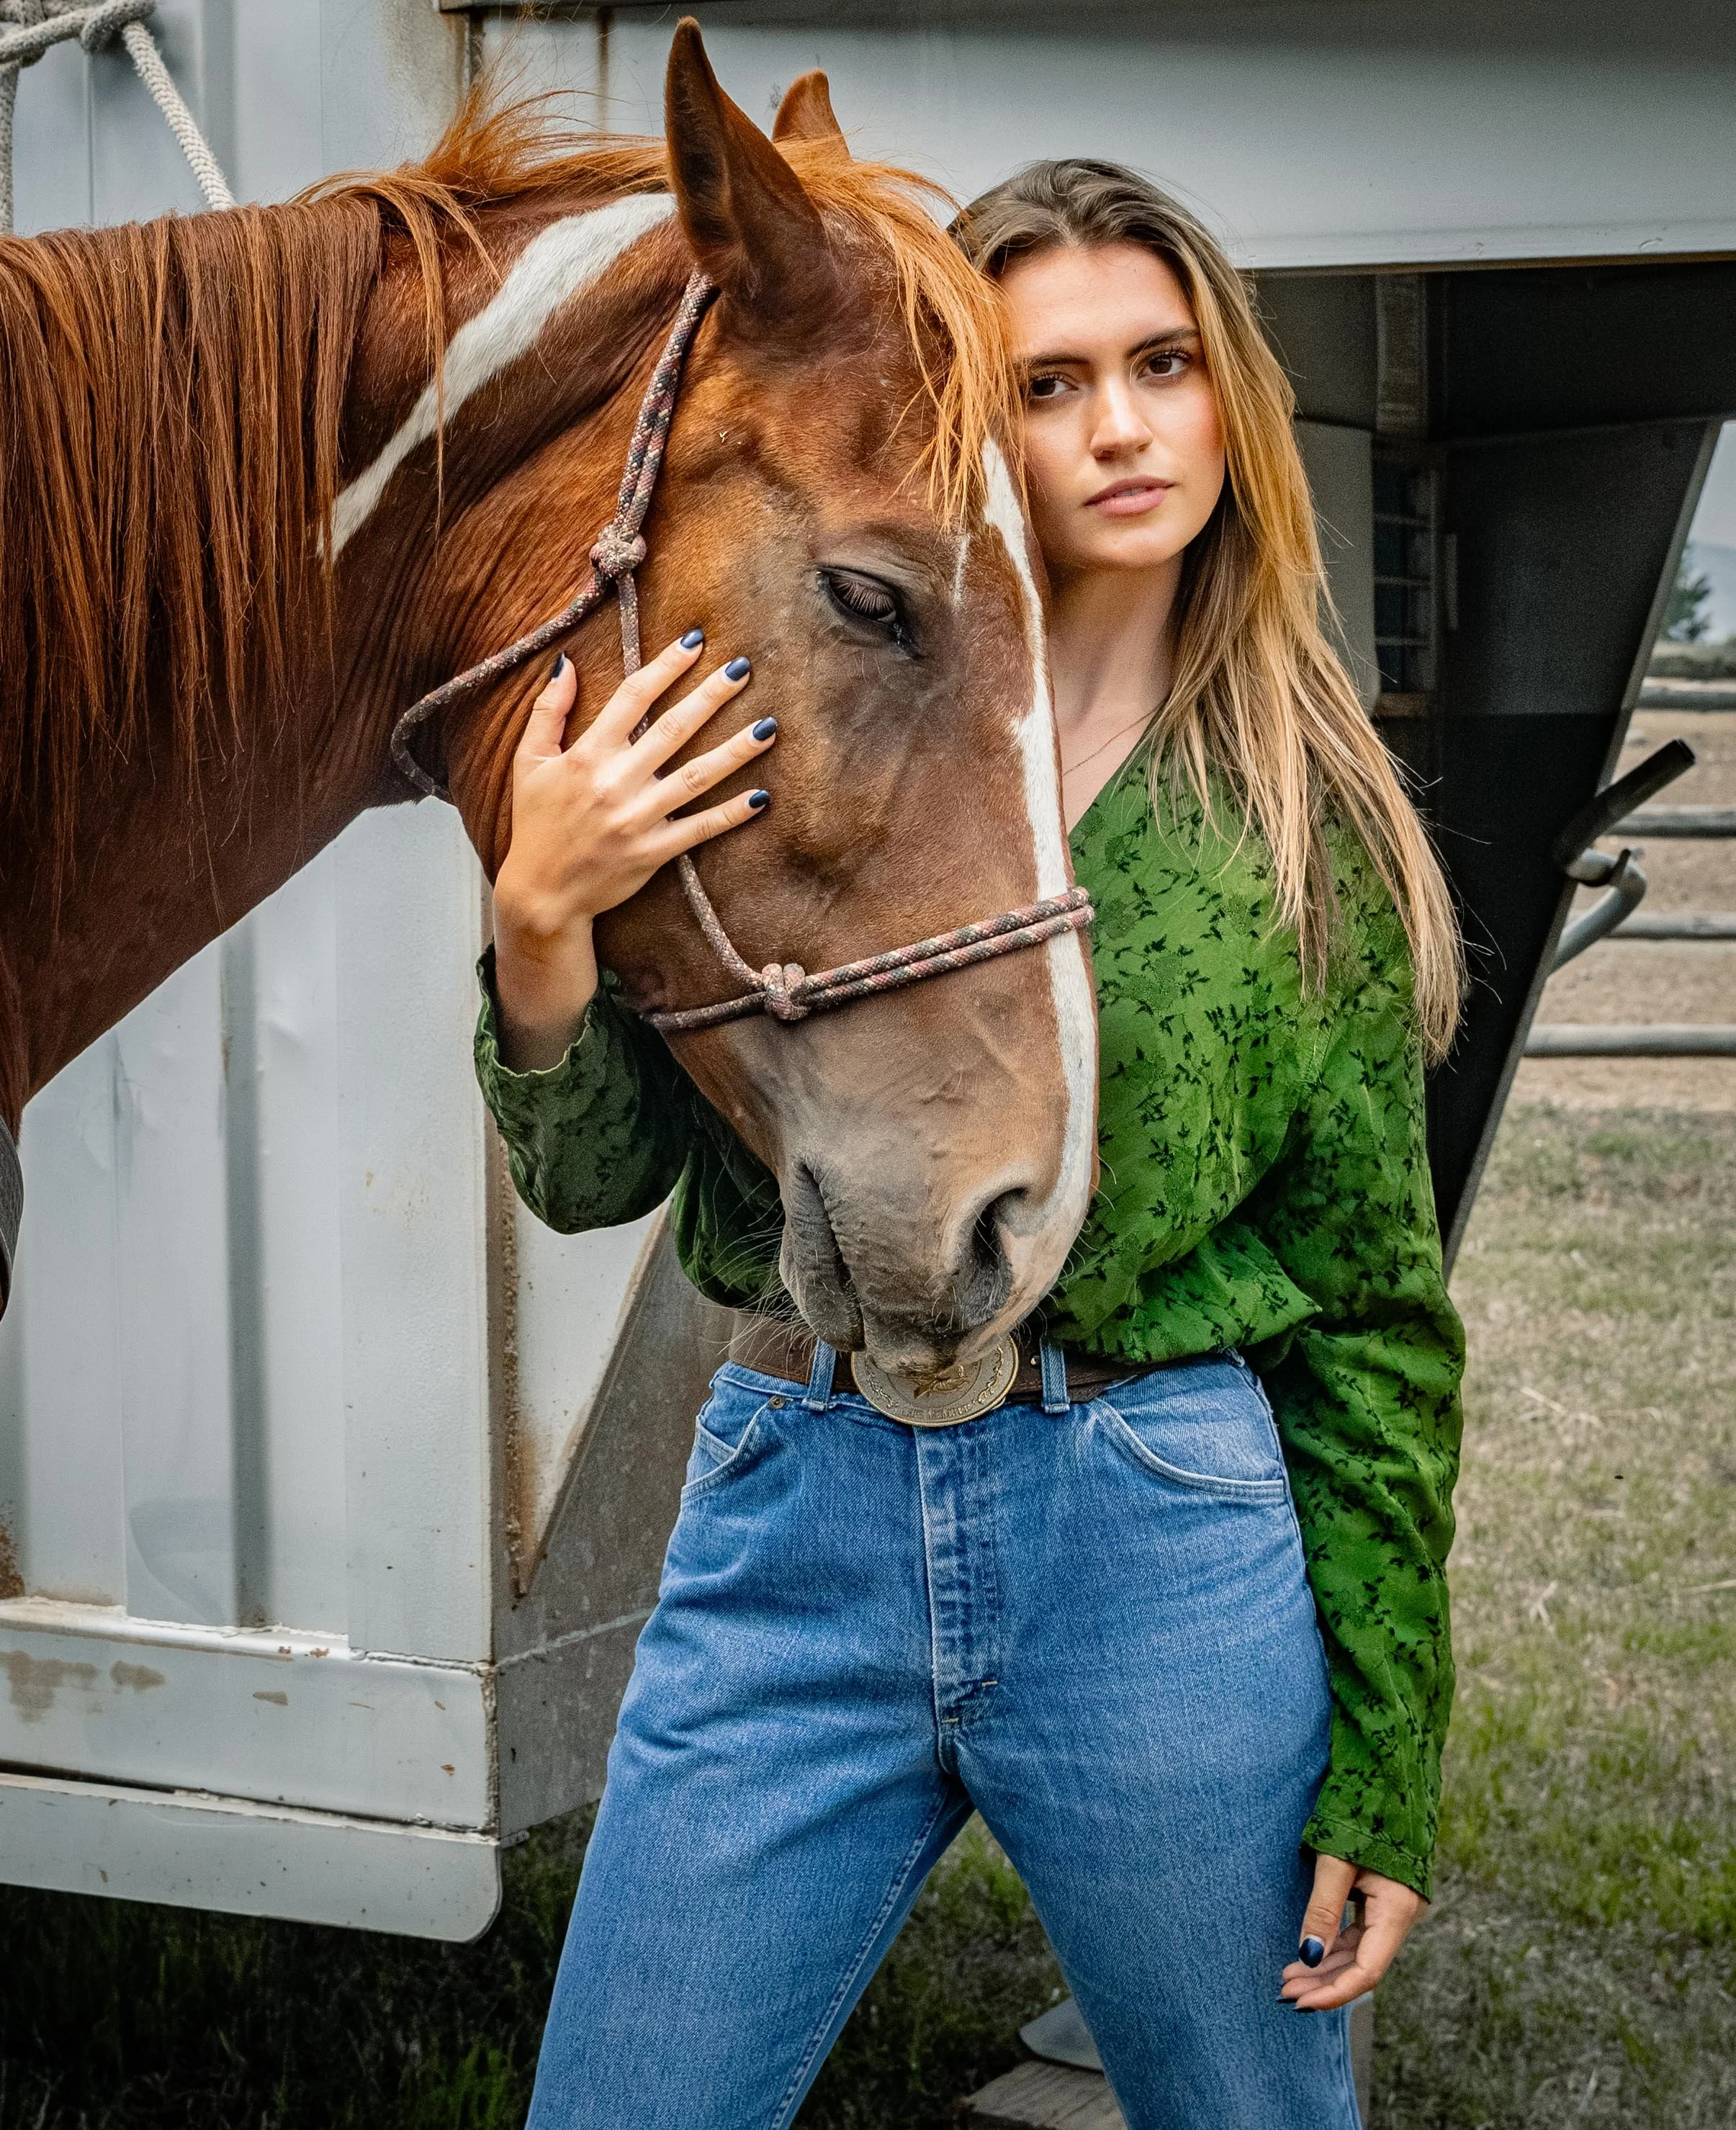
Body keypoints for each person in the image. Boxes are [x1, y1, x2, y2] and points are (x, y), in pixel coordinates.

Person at [477, 158, 1465, 2130]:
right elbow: (594, 1179)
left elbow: (1373, 1319)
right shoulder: (794, 728)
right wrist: (536, 928)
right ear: (963, 411)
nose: (1116, 425)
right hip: (795, 1516)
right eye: (1050, 378)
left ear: (1228, 401)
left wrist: (1388, 1755)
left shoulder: (1302, 822)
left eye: (1164, 363)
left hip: (1159, 1541)